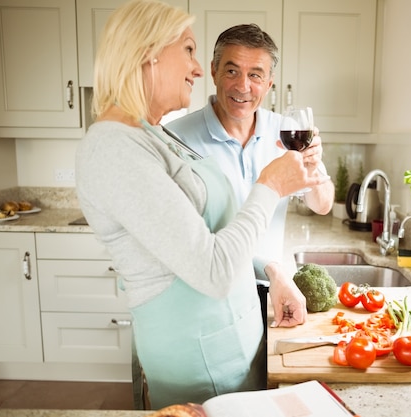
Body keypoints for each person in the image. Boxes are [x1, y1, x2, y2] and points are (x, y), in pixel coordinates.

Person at [75, 0, 324, 409]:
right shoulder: (113, 148)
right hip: (200, 364)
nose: (196, 68)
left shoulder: (149, 135)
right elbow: (213, 271)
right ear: (147, 55)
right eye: (189, 50)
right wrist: (270, 185)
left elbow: (209, 236)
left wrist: (274, 271)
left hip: (231, 349)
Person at [166, 24, 335, 327]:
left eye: (255, 75)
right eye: (232, 71)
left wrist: (311, 168)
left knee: (268, 374)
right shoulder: (177, 140)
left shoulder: (287, 131)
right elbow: (187, 242)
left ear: (270, 83)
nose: (243, 86)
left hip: (274, 293)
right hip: (208, 299)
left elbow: (323, 205)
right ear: (214, 70)